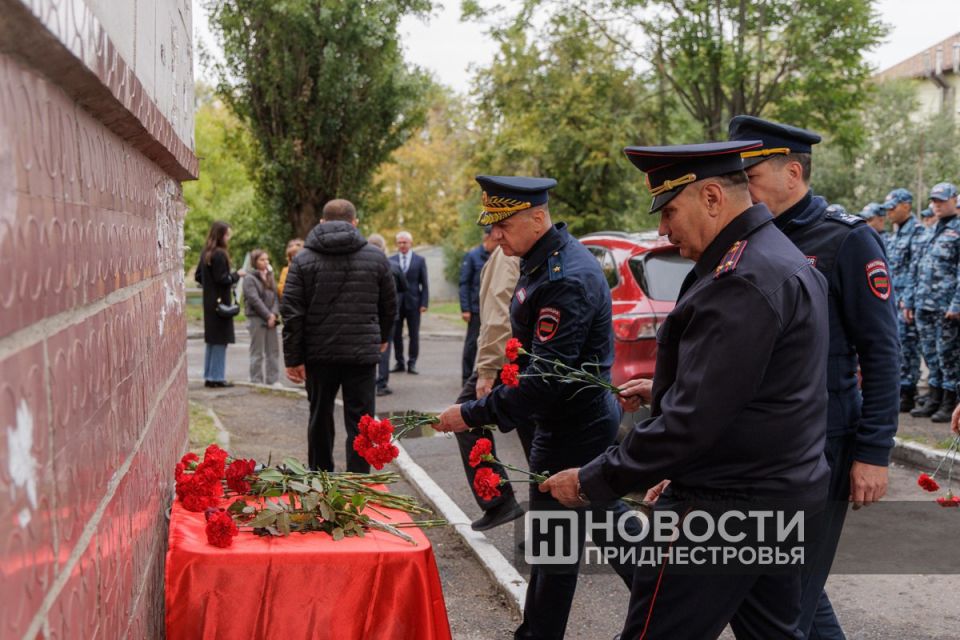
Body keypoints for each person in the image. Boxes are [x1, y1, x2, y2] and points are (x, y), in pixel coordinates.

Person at [540, 141, 830, 639]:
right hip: (780, 494)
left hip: (725, 508)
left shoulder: (740, 279)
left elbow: (691, 421)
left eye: (669, 211)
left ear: (712, 197)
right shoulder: (778, 256)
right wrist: (669, 407)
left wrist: (591, 480)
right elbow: (765, 390)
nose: (662, 229)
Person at [434, 175, 639, 640]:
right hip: (566, 422)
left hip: (575, 427)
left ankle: (661, 614)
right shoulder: (539, 261)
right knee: (579, 532)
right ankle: (664, 609)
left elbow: (544, 381)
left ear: (537, 217)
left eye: (503, 225)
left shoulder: (565, 278)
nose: (495, 236)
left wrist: (471, 413)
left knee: (557, 544)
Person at [728, 115, 899, 639]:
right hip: (763, 441)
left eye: (751, 178)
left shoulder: (846, 240)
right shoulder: (749, 237)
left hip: (825, 442)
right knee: (787, 587)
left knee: (788, 599)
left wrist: (873, 453)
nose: (745, 192)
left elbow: (882, 352)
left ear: (793, 173)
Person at [280, 199, 397, 472]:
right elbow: (389, 305)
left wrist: (293, 358)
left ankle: (321, 477)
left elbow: (292, 312)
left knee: (319, 416)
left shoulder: (302, 260)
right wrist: (382, 337)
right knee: (362, 421)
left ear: (322, 222)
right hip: (361, 353)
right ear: (355, 222)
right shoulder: (376, 258)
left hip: (318, 354)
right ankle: (358, 480)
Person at [454, 243, 530, 531]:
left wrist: (486, 369)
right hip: (512, 357)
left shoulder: (509, 253)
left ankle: (500, 501)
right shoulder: (509, 249)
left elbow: (499, 314)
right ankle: (543, 529)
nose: (494, 233)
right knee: (538, 443)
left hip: (505, 360)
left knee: (464, 417)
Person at [906, 182, 960, 423]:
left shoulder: (957, 231)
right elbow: (915, 268)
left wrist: (956, 304)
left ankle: (950, 401)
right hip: (923, 304)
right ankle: (934, 397)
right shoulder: (930, 231)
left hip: (945, 307)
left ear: (954, 200)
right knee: (930, 354)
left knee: (948, 356)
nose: (936, 205)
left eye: (942, 200)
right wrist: (909, 301)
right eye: (934, 200)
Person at [882, 188, 925, 412]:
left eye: (893, 207)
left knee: (908, 346)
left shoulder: (917, 231)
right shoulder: (897, 232)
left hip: (905, 300)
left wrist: (907, 300)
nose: (888, 212)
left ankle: (908, 392)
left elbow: (915, 269)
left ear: (906, 206)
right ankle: (901, 389)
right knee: (896, 345)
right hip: (893, 298)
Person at [195, 221, 245, 388]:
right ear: (221, 235)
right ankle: (217, 377)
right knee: (220, 341)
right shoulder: (219, 254)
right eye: (227, 235)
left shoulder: (206, 253)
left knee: (212, 340)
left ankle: (210, 376)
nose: (228, 238)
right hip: (220, 304)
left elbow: (198, 276)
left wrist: (210, 287)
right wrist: (237, 275)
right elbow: (223, 279)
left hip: (209, 303)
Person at [368, 233, 407, 396]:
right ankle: (382, 383)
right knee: (385, 347)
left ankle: (368, 382)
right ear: (383, 248)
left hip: (368, 313)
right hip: (388, 314)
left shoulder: (363, 265)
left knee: (368, 348)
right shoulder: (393, 266)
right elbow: (404, 287)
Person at [458, 226, 496, 384]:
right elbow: (464, 284)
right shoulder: (472, 256)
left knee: (492, 342)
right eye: (495, 238)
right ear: (487, 238)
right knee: (472, 343)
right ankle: (466, 378)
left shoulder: (499, 256)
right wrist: (465, 308)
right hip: (475, 309)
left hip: (493, 309)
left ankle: (487, 375)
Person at [390, 231, 429, 374]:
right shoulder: (391, 260)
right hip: (396, 303)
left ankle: (412, 363)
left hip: (414, 303)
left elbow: (424, 283)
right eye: (399, 242)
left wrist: (424, 303)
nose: (402, 245)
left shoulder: (420, 260)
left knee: (414, 335)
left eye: (404, 242)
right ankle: (399, 362)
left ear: (410, 243)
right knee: (396, 335)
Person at [242, 249, 281, 385]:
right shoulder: (249, 278)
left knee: (273, 351)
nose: (266, 262)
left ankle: (273, 380)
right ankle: (256, 379)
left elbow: (276, 296)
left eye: (267, 259)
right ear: (255, 262)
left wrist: (274, 314)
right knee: (257, 351)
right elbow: (254, 300)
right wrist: (268, 315)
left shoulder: (270, 275)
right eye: (262, 259)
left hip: (272, 319)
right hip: (256, 318)